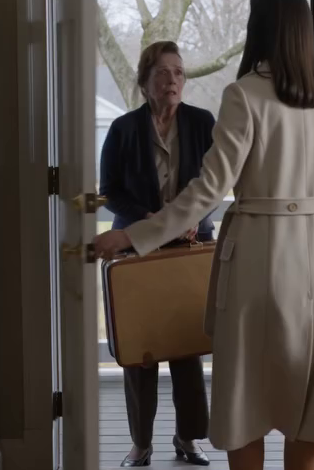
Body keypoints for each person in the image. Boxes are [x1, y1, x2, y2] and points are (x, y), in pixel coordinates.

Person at [94, 0, 314, 469]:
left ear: (260, 26)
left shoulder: (245, 95)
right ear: (305, 31)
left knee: (247, 401)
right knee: (309, 403)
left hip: (258, 260)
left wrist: (134, 236)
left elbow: (207, 190)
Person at [99, 40, 215, 467]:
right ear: (145, 82)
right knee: (140, 348)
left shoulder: (202, 122)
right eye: (163, 73)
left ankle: (188, 438)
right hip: (136, 248)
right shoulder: (123, 129)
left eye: (178, 72)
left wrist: (193, 218)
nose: (172, 80)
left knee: (187, 343)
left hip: (190, 246)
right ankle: (140, 442)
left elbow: (215, 184)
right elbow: (109, 192)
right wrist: (146, 219)